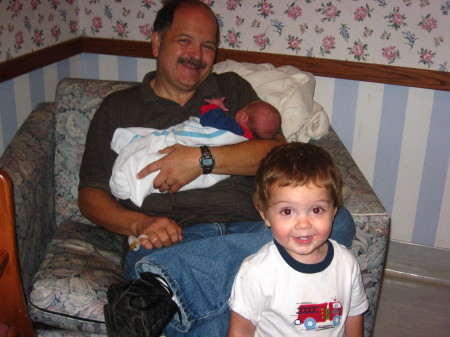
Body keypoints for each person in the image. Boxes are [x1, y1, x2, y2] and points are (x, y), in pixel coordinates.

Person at [78, 1, 356, 336]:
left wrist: (201, 159)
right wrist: (140, 222)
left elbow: (277, 154)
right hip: (177, 238)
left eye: (207, 46)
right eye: (185, 40)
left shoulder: (232, 89)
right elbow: (90, 194)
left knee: (336, 221)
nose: (196, 54)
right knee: (223, 314)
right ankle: (176, 281)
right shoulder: (117, 109)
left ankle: (164, 285)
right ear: (156, 43)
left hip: (256, 228)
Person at [228, 142, 368, 337]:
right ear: (266, 215)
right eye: (287, 211)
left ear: (334, 211)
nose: (303, 224)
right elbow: (240, 331)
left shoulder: (346, 263)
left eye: (316, 210)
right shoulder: (256, 272)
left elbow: (353, 315)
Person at [109, 98, 281, 208]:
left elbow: (210, 121)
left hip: (243, 221)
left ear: (244, 118)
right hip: (173, 227)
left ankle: (132, 179)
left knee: (153, 154)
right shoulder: (119, 106)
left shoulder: (232, 127)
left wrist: (214, 106)